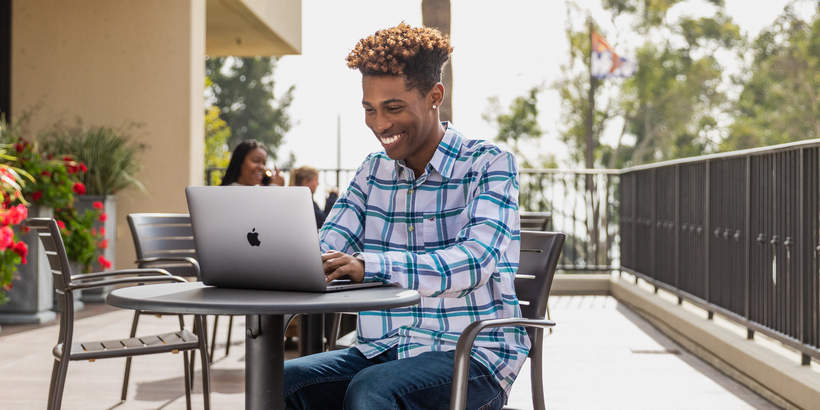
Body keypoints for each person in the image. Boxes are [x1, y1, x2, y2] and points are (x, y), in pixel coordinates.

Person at [283, 23, 526, 410]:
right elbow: (328, 244)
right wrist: (284, 259)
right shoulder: (372, 171)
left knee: (371, 390)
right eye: (369, 109)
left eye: (393, 107)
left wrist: (370, 266)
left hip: (473, 355)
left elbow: (475, 263)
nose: (379, 124)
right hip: (384, 346)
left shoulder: (489, 164)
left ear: (435, 96)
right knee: (284, 381)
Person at [220, 139, 284, 187]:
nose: (262, 167)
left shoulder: (259, 191)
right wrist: (274, 189)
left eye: (264, 163)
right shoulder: (226, 192)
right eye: (256, 161)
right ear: (240, 162)